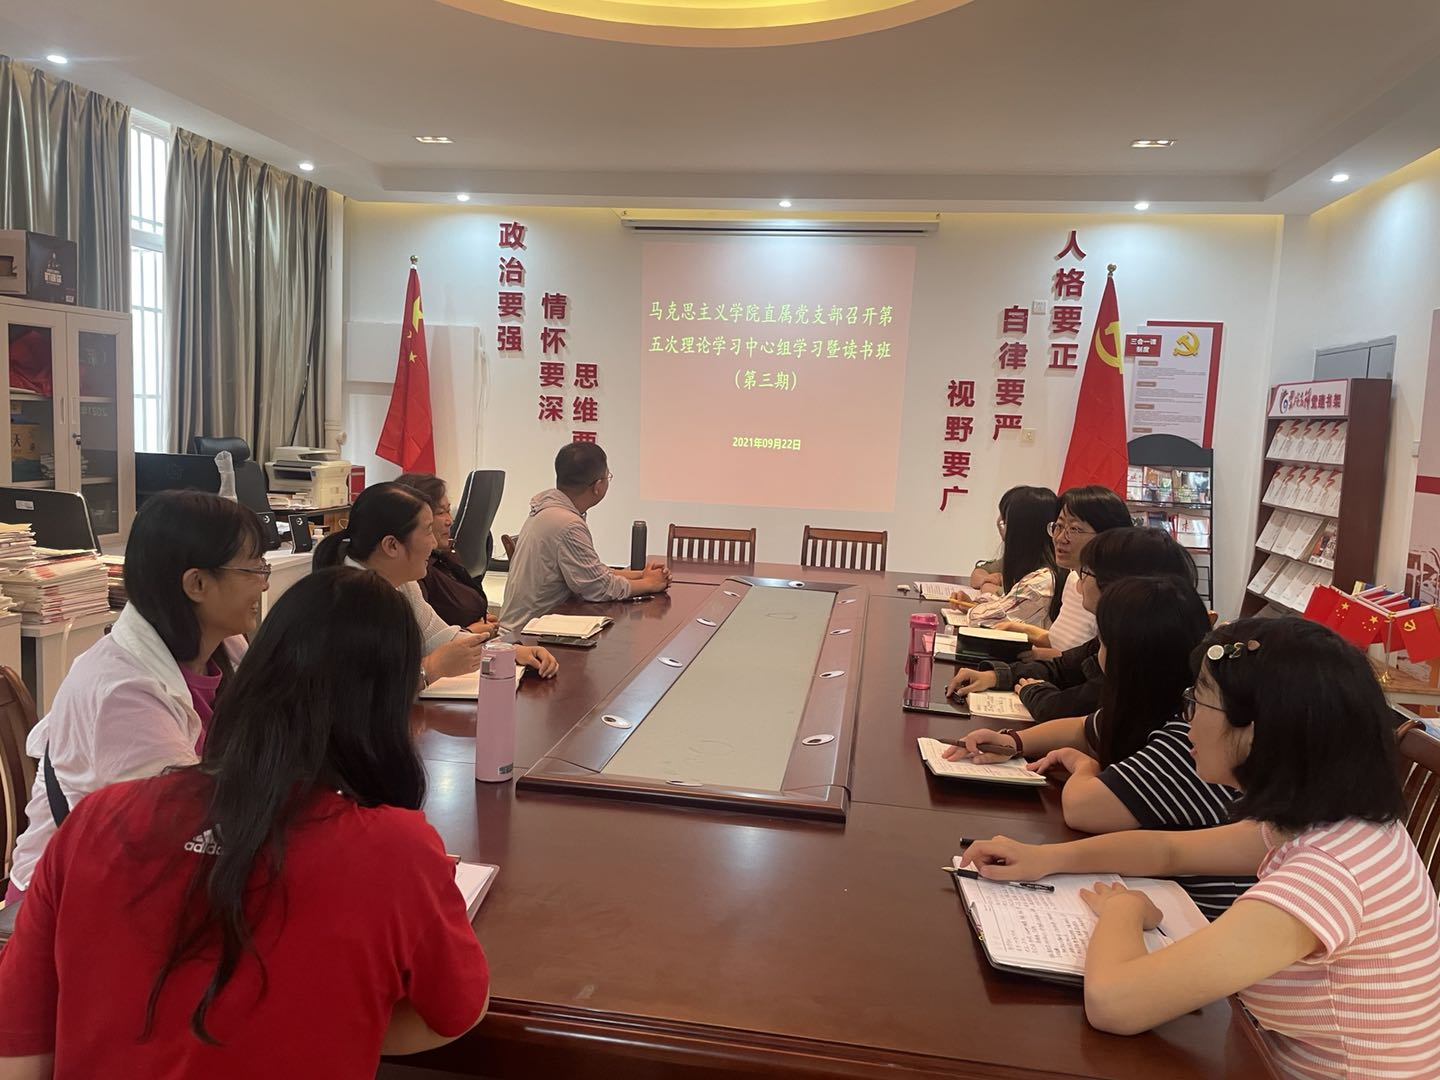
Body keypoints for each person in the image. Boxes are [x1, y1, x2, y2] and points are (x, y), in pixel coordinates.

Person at [0, 568, 492, 1075]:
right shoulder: (395, 851)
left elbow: (18, 1053)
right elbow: (460, 1011)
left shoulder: (96, 820)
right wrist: (337, 1019)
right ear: (386, 705)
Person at [959, 617, 1440, 1078]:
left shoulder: (1327, 874)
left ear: (1256, 729)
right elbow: (1169, 851)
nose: (1185, 720)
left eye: (1197, 701)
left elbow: (1114, 1003)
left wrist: (1124, 909)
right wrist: (1047, 858)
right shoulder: (1332, 822)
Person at [5, 491, 267, 907]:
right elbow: (181, 826)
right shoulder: (122, 691)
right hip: (69, 899)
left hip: (157, 873)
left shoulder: (225, 645)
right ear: (197, 584)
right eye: (253, 569)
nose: (264, 582)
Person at [947, 577, 1250, 918]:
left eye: (1102, 642)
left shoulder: (1188, 740)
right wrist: (1014, 741)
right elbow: (1083, 727)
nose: (1096, 652)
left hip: (1191, 913)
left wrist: (1084, 767)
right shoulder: (1151, 704)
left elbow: (1084, 809)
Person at [946, 527, 1196, 721]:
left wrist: (1032, 692)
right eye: (1058, 526)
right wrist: (996, 676)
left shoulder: (1142, 652)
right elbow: (1064, 666)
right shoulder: (1116, 633)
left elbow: (1075, 705)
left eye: (1087, 572)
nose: (1061, 537)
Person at [313, 483, 557, 683]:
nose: (433, 542)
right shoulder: (345, 599)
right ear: (392, 545)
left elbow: (439, 637)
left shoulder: (402, 582)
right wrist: (432, 668)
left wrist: (507, 652)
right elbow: (364, 689)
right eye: (428, 530)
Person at [500, 442, 670, 632]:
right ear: (598, 486)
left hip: (535, 626)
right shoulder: (567, 523)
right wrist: (649, 584)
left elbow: (591, 573)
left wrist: (641, 575)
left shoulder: (549, 509)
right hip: (526, 635)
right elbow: (599, 588)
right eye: (607, 477)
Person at [996, 485, 1133, 655]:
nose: (1060, 538)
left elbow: (1089, 661)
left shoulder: (1116, 596)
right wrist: (1018, 629)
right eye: (1059, 526)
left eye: (1074, 529)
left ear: (1108, 536)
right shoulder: (1073, 579)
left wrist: (1037, 655)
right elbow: (1060, 641)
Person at [950, 486, 1063, 629]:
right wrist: (972, 605)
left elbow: (990, 619)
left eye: (1005, 523)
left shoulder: (1040, 581)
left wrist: (974, 609)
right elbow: (1006, 603)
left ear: (1020, 532)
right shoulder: (1037, 570)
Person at [395, 472, 495, 632]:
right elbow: (425, 639)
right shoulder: (413, 572)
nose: (450, 521)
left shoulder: (445, 557)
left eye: (448, 511)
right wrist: (470, 632)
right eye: (440, 513)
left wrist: (482, 619)